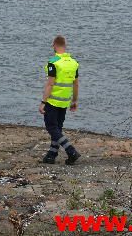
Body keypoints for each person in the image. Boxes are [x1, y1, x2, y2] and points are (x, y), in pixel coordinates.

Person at [39, 35, 81, 165]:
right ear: (65, 45)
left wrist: (43, 102)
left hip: (52, 101)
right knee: (57, 128)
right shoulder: (74, 63)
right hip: (64, 101)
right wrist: (74, 101)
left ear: (54, 45)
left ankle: (71, 151)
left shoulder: (53, 62)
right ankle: (51, 155)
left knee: (52, 127)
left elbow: (50, 84)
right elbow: (76, 84)